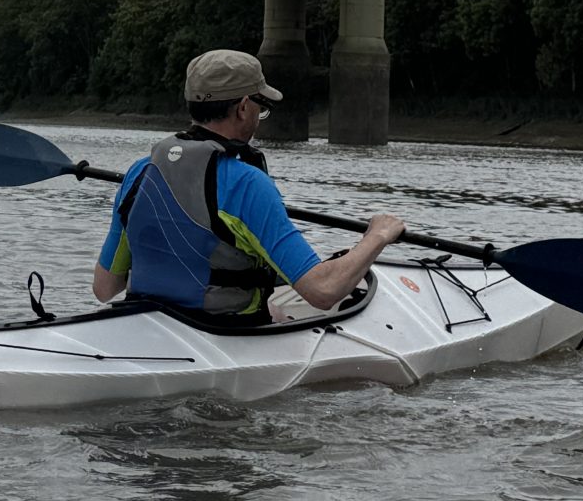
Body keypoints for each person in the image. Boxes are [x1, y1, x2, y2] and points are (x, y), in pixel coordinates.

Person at [92, 48, 405, 320]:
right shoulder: (246, 183)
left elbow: (105, 288)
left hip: (147, 322)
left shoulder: (141, 171)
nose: (259, 114)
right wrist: (376, 236)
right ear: (243, 107)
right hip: (220, 331)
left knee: (277, 310)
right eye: (260, 105)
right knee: (282, 314)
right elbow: (323, 291)